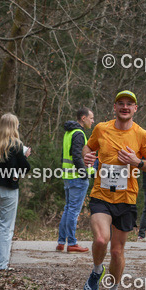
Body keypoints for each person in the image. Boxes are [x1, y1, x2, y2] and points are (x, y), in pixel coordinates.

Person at [81, 91, 146, 290]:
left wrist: (138, 161)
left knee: (117, 252)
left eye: (130, 104)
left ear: (136, 109)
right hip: (101, 195)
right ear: (114, 107)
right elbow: (89, 147)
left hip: (126, 199)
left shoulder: (142, 135)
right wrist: (87, 155)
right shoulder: (102, 129)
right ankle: (97, 270)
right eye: (121, 104)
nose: (125, 107)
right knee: (100, 238)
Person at [0, 114, 31, 271]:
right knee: (5, 227)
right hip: (8, 189)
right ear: (13, 126)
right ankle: (0, 264)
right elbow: (25, 168)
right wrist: (25, 156)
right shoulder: (16, 145)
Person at [58, 108, 94, 253]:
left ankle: (61, 242)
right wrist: (84, 174)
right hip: (77, 178)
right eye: (91, 118)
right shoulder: (79, 134)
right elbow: (76, 156)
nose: (93, 121)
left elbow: (64, 155)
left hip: (68, 176)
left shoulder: (69, 132)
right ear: (83, 118)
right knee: (73, 210)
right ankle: (72, 243)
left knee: (68, 209)